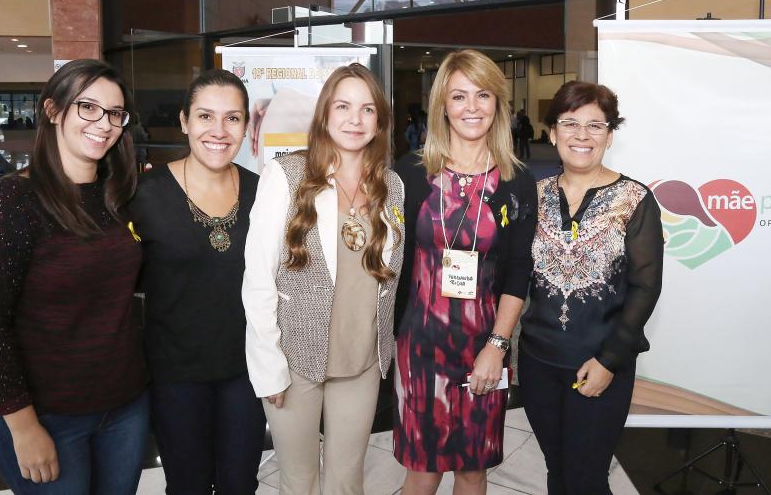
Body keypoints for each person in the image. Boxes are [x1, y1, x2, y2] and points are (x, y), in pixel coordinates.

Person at [0, 59, 148, 493]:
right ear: (53, 110)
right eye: (88, 107)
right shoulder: (12, 201)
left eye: (114, 113)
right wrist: (23, 426)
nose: (103, 124)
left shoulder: (118, 196)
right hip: (48, 416)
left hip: (124, 407)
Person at [243, 63, 404, 495]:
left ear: (379, 120)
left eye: (367, 109)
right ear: (325, 115)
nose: (355, 119)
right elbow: (257, 278)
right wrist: (269, 367)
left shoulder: (392, 186)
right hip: (295, 360)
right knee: (298, 480)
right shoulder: (287, 175)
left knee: (347, 480)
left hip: (362, 360)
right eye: (344, 106)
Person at [393, 49, 537, 494]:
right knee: (423, 466)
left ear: (497, 103)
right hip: (420, 344)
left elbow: (518, 271)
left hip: (483, 341)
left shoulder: (516, 181)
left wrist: (498, 346)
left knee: (473, 467)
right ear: (443, 105)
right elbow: (394, 265)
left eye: (482, 95)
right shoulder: (411, 175)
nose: (471, 107)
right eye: (459, 96)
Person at [519, 81, 663, 494]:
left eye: (595, 126)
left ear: (610, 135)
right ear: (551, 134)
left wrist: (609, 361)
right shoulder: (536, 195)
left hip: (600, 365)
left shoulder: (635, 199)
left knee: (587, 477)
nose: (582, 135)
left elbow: (646, 287)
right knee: (557, 469)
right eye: (570, 123)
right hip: (537, 362)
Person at [128, 69, 265, 494]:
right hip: (175, 375)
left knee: (240, 485)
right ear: (185, 121)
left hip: (246, 372)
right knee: (187, 486)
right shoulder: (144, 194)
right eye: (206, 117)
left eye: (233, 119)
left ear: (246, 126)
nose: (219, 131)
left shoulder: (265, 193)